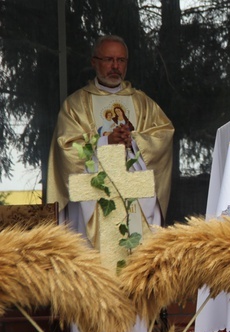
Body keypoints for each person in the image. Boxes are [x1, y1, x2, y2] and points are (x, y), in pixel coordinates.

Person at [46, 34, 174, 248]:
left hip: (135, 194)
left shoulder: (144, 104)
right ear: (94, 62)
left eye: (121, 60)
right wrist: (106, 142)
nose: (115, 66)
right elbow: (66, 146)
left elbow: (163, 135)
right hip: (95, 200)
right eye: (108, 60)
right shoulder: (75, 105)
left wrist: (133, 141)